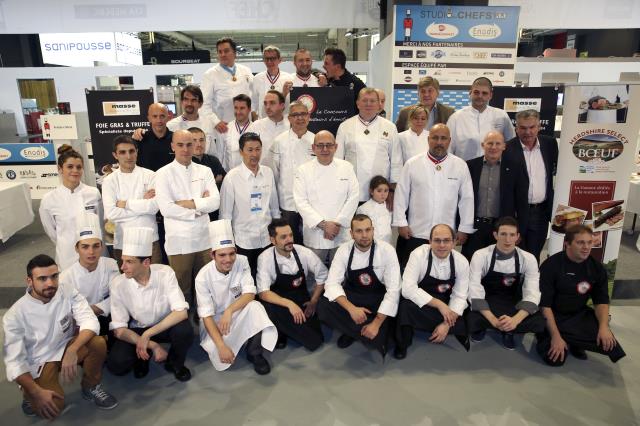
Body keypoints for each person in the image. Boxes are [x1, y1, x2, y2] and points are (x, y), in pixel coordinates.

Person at [4, 254, 117, 419]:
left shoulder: (66, 290)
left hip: (65, 346)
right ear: (29, 281)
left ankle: (91, 386)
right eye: (42, 278)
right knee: (54, 407)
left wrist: (73, 349)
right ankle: (29, 395)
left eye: (54, 276)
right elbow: (14, 363)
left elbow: (90, 321)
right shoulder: (14, 316)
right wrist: (35, 392)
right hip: (39, 361)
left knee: (97, 343)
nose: (50, 283)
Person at [107, 227, 194, 381]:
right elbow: (119, 330)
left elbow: (181, 312)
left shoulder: (165, 273)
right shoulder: (118, 284)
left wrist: (148, 334)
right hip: (137, 330)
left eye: (129, 262)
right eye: (123, 261)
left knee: (185, 331)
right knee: (117, 364)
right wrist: (151, 344)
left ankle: (175, 363)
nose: (122, 267)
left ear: (146, 262)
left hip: (164, 326)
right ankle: (141, 359)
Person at [536, 225, 626, 366]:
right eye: (580, 242)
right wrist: (555, 337)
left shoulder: (596, 268)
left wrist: (604, 327)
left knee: (611, 346)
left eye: (589, 242)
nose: (586, 247)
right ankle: (559, 337)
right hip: (553, 315)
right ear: (567, 244)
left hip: (578, 315)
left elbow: (601, 301)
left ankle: (573, 340)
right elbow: (544, 305)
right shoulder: (550, 266)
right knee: (554, 359)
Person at [196, 220, 277, 375]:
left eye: (232, 253)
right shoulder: (202, 277)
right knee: (217, 353)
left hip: (236, 310)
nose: (228, 259)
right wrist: (221, 346)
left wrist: (229, 311)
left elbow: (250, 294)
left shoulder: (242, 261)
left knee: (256, 307)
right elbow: (206, 316)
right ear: (212, 255)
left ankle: (255, 352)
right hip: (216, 321)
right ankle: (230, 342)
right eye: (222, 255)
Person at [392, 123, 474, 270]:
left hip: (445, 234)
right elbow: (401, 194)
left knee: (441, 273)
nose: (439, 142)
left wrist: (464, 227)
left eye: (443, 138)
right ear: (428, 139)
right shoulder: (412, 163)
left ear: (449, 141)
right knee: (411, 271)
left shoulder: (460, 165)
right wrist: (401, 222)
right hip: (415, 230)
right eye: (435, 138)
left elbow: (467, 199)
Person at [317, 214, 401, 355]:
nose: (364, 235)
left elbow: (393, 290)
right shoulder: (344, 250)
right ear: (351, 233)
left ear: (373, 230)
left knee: (380, 336)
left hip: (377, 299)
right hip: (354, 297)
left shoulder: (387, 250)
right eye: (359, 231)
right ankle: (359, 329)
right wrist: (351, 309)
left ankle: (361, 328)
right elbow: (332, 284)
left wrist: (377, 323)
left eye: (368, 230)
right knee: (324, 305)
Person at [155, 130, 220, 300]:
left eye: (189, 144)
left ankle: (204, 322)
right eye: (180, 145)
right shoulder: (162, 173)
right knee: (181, 290)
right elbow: (166, 209)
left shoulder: (205, 171)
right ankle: (184, 323)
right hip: (179, 242)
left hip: (204, 240)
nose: (185, 149)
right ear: (172, 146)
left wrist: (189, 203)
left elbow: (215, 202)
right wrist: (199, 208)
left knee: (206, 287)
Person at [467, 216, 545, 350]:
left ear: (518, 236)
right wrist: (492, 319)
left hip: (512, 302)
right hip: (488, 300)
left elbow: (532, 291)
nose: (507, 240)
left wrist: (515, 320)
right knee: (470, 317)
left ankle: (510, 329)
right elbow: (474, 287)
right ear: (495, 235)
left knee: (538, 322)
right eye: (503, 234)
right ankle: (488, 326)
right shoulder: (481, 255)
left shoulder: (528, 258)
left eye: (512, 235)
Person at [394, 224, 470, 359]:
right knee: (405, 307)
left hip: (447, 302)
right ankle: (403, 343)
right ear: (430, 242)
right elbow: (408, 289)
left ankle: (444, 327)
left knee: (466, 312)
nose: (441, 245)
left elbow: (460, 295)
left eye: (446, 240)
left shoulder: (461, 262)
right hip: (424, 302)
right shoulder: (418, 255)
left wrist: (447, 324)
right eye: (437, 240)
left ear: (454, 243)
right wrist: (440, 305)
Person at [257, 219, 328, 351]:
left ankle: (287, 329)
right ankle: (280, 331)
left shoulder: (303, 252)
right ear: (273, 240)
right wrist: (289, 304)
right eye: (283, 237)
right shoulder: (265, 258)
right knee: (268, 308)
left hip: (301, 298)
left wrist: (313, 301)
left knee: (316, 341)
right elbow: (263, 292)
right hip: (279, 302)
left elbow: (323, 275)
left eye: (290, 235)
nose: (289, 240)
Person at [293, 130, 359, 266]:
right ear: (313, 148)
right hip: (315, 234)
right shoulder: (303, 170)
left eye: (329, 145)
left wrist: (336, 224)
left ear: (336, 147)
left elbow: (353, 196)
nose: (325, 149)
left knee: (341, 273)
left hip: (340, 232)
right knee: (314, 275)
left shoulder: (347, 167)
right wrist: (324, 225)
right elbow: (300, 201)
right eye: (320, 145)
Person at [461, 131, 529, 260]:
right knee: (471, 263)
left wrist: (520, 231)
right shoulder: (470, 166)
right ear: (483, 145)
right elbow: (462, 199)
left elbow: (522, 203)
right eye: (490, 143)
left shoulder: (515, 167)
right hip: (475, 228)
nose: (493, 147)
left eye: (498, 143)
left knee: (498, 266)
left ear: (504, 146)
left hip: (502, 229)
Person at [220, 132, 280, 277]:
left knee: (267, 278)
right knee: (246, 280)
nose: (254, 154)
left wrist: (276, 234)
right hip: (243, 241)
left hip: (266, 238)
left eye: (258, 149)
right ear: (241, 152)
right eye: (250, 150)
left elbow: (274, 207)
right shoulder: (232, 177)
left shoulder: (268, 172)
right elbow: (225, 215)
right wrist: (228, 243)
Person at [504, 109, 559, 262]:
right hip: (516, 213)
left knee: (534, 255)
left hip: (540, 212)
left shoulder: (550, 144)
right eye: (523, 128)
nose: (527, 132)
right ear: (516, 128)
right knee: (514, 256)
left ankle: (531, 285)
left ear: (539, 126)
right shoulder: (507, 149)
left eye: (532, 127)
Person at [40, 144, 103, 270]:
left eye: (79, 167)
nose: (75, 171)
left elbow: (101, 222)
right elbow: (52, 231)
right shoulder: (49, 199)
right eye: (70, 167)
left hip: (93, 252)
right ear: (60, 169)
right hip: (67, 253)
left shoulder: (93, 193)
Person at [102, 135, 161, 266]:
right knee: (127, 283)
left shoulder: (151, 175)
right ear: (115, 155)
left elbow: (154, 207)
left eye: (131, 151)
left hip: (150, 239)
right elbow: (112, 213)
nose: (128, 156)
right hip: (124, 241)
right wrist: (142, 202)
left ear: (137, 152)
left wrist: (125, 204)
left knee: (154, 280)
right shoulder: (109, 181)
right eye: (122, 152)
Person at [336, 87, 402, 203]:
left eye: (372, 101)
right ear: (357, 103)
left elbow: (396, 161)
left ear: (378, 104)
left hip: (381, 192)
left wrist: (392, 191)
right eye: (364, 100)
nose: (368, 104)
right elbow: (337, 160)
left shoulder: (390, 127)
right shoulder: (345, 126)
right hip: (352, 191)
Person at [60, 212, 119, 337]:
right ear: (77, 249)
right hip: (80, 322)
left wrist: (97, 308)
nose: (91, 252)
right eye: (85, 247)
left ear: (102, 247)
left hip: (107, 316)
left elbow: (119, 296)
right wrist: (87, 312)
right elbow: (65, 310)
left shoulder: (111, 265)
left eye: (96, 246)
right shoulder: (66, 277)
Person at [264, 101, 315, 244]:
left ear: (309, 117)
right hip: (287, 201)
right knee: (289, 240)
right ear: (289, 118)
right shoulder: (279, 141)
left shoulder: (316, 140)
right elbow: (273, 173)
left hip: (311, 201)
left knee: (309, 240)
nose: (300, 118)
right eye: (295, 115)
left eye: (303, 114)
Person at [447, 77, 516, 161]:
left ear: (490, 95)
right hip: (464, 168)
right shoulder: (456, 118)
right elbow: (448, 148)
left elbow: (511, 143)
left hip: (494, 168)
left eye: (484, 93)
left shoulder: (501, 115)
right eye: (476, 92)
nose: (480, 96)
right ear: (470, 93)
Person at [200, 37, 254, 134]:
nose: (223, 54)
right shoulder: (210, 75)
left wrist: (254, 115)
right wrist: (215, 122)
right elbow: (203, 104)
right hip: (224, 127)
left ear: (234, 53)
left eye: (226, 51)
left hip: (246, 125)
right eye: (220, 52)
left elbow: (253, 97)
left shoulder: (246, 71)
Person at [166, 85, 216, 155]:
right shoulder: (171, 126)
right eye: (186, 99)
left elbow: (212, 152)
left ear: (200, 104)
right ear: (182, 102)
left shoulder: (208, 123)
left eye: (194, 100)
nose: (189, 103)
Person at [215, 94, 255, 172]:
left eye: (242, 108)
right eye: (236, 108)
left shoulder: (256, 129)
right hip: (230, 176)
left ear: (249, 109)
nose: (238, 112)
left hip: (251, 175)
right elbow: (220, 155)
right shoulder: (226, 129)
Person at [252, 46, 293, 118]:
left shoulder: (289, 78)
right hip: (264, 122)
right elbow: (254, 103)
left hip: (284, 121)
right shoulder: (257, 78)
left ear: (280, 60)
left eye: (273, 58)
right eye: (266, 59)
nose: (269, 62)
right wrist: (255, 120)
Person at [132, 103, 174, 172]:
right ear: (149, 118)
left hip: (171, 182)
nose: (159, 120)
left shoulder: (175, 139)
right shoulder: (140, 139)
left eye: (162, 116)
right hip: (146, 182)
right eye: (155, 116)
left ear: (168, 117)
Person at [323, 47, 366, 113]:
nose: (323, 66)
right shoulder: (325, 79)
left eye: (326, 63)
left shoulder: (357, 84)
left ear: (337, 66)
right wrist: (317, 74)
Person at [250, 90, 290, 157]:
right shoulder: (256, 126)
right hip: (262, 166)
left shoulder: (291, 126)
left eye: (272, 103)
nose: (268, 107)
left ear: (282, 106)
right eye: (265, 103)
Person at [356, 175, 392, 244]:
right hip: (371, 244)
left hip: (387, 243)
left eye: (386, 191)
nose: (383, 194)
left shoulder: (389, 207)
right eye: (379, 191)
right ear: (371, 191)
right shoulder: (363, 209)